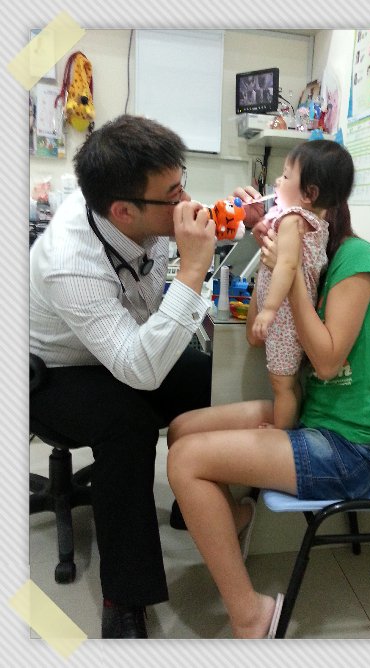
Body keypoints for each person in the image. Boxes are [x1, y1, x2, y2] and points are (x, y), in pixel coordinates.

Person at [166, 143, 370, 638]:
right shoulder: (311, 250)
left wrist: (290, 277)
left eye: (285, 182)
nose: (277, 194)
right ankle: (235, 517)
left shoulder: (356, 259)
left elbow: (327, 361)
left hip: (351, 448)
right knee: (182, 428)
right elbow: (262, 331)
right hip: (315, 415)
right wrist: (270, 256)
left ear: (311, 198)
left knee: (186, 461)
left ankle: (252, 616)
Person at [29, 114, 218, 638]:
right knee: (127, 424)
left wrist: (233, 222)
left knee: (206, 379)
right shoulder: (70, 259)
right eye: (173, 195)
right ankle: (125, 598)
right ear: (123, 211)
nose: (186, 201)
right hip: (54, 372)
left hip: (122, 345)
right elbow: (140, 370)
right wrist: (192, 272)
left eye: (182, 183)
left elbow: (146, 333)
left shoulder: (143, 215)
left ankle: (196, 499)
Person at [252, 141, 339, 429]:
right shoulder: (313, 221)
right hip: (293, 318)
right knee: (289, 382)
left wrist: (268, 310)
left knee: (282, 385)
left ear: (309, 194)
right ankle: (288, 428)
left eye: (286, 176)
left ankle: (281, 435)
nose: (278, 181)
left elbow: (288, 265)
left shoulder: (292, 220)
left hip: (284, 318)